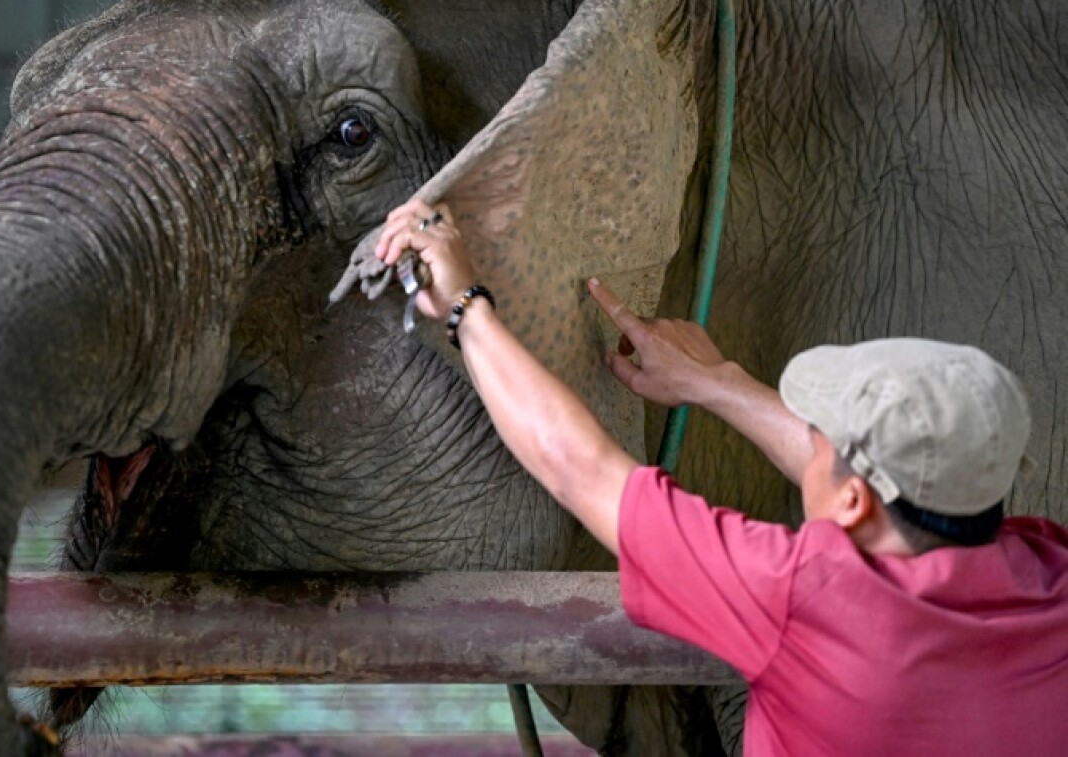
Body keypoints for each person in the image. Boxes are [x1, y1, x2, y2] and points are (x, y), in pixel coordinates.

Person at [376, 198, 1068, 755]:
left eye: (819, 436)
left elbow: (580, 469)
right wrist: (717, 384)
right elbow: (885, 485)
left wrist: (465, 305)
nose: (807, 442)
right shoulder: (1051, 573)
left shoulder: (804, 599)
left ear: (855, 498)